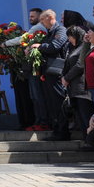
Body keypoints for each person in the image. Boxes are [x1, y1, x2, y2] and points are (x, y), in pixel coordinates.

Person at [31, 9, 69, 141]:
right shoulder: (51, 32)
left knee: (58, 102)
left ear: (50, 18)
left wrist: (39, 46)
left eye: (42, 20)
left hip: (57, 72)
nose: (42, 23)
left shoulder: (60, 30)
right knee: (52, 103)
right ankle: (57, 130)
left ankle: (62, 132)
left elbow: (55, 47)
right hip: (49, 72)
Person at [60, 26, 94, 138]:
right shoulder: (75, 48)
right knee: (80, 116)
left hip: (82, 88)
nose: (69, 39)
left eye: (70, 36)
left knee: (86, 115)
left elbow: (80, 65)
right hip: (75, 89)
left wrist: (66, 78)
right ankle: (86, 140)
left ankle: (90, 141)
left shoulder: (84, 47)